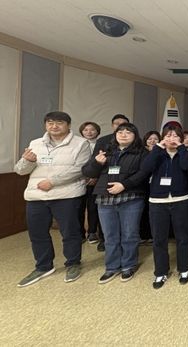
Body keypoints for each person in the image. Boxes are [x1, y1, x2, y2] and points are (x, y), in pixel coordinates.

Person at [15, 111, 91, 287]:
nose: (54, 126)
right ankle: (43, 266)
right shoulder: (35, 143)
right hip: (36, 195)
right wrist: (27, 161)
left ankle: (73, 263)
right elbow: (20, 170)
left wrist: (53, 181)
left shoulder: (81, 143)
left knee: (70, 232)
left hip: (67, 195)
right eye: (50, 123)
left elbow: (80, 169)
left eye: (59, 123)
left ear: (68, 125)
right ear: (45, 125)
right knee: (37, 233)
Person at [82, 123, 149, 284]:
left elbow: (144, 173)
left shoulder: (142, 152)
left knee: (129, 234)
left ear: (135, 135)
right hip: (105, 198)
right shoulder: (106, 151)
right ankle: (111, 267)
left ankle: (128, 265)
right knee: (109, 235)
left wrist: (124, 185)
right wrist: (96, 163)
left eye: (128, 132)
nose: (123, 134)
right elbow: (88, 172)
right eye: (120, 132)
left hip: (131, 197)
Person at [142, 125, 188, 289]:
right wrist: (158, 147)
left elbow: (187, 166)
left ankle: (184, 269)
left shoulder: (185, 153)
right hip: (157, 201)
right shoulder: (157, 153)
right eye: (168, 135)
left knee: (183, 237)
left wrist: (181, 147)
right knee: (159, 238)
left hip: (181, 199)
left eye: (175, 136)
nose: (171, 138)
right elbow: (145, 168)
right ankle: (160, 271)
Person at [92, 114, 130, 252]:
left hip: (127, 185)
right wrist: (97, 164)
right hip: (105, 184)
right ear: (112, 126)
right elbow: (92, 164)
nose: (120, 126)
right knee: (106, 222)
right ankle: (104, 240)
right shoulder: (103, 140)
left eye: (123, 124)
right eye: (117, 124)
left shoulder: (134, 142)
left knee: (127, 225)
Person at [78, 121, 101, 245]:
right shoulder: (77, 144)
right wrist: (85, 177)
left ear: (97, 131)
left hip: (96, 181)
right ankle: (80, 233)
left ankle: (92, 232)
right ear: (81, 132)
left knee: (93, 207)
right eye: (86, 130)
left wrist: (95, 177)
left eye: (92, 130)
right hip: (80, 180)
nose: (89, 132)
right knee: (79, 208)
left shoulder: (102, 144)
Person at [139, 131, 161, 244]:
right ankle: (143, 235)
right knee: (143, 210)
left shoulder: (162, 152)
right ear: (145, 140)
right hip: (143, 185)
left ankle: (153, 235)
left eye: (155, 139)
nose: (152, 141)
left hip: (157, 185)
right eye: (150, 139)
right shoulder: (141, 152)